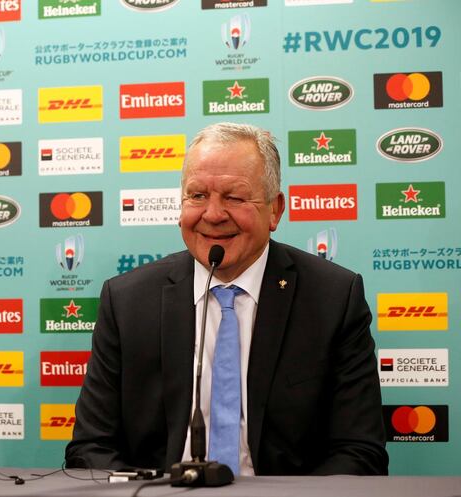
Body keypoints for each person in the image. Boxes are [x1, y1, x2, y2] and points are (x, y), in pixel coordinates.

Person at [66, 123, 388, 476]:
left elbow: (359, 451)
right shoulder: (127, 301)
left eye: (234, 197)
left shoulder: (333, 299)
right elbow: (90, 448)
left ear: (275, 209)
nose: (213, 214)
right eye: (197, 195)